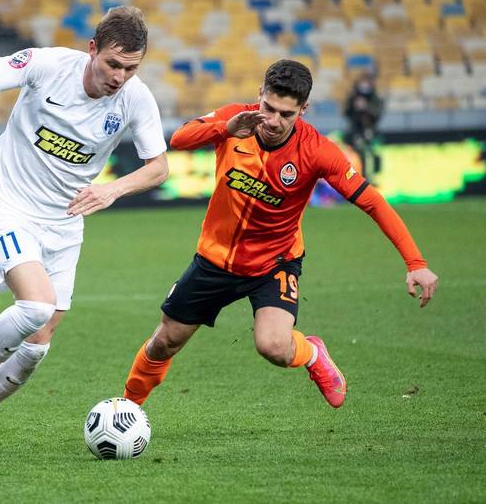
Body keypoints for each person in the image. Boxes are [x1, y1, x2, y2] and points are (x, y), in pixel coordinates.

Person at [0, 6, 168, 456]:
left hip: (65, 222)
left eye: (131, 68)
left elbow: (158, 167)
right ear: (92, 50)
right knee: (36, 305)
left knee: (39, 343)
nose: (120, 77)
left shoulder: (135, 99)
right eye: (113, 64)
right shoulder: (47, 65)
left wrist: (112, 190)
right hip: (9, 204)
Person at [122, 59, 438, 412]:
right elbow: (179, 139)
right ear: (260, 93)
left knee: (273, 346)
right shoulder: (237, 119)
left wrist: (416, 262)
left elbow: (372, 202)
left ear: (304, 109)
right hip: (215, 258)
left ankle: (312, 352)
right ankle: (126, 409)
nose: (273, 121)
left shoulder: (317, 151)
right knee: (164, 342)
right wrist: (225, 129)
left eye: (286, 114)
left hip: (274, 263)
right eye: (268, 108)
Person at [344, 72, 383, 181]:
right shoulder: (353, 97)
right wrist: (354, 106)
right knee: (356, 156)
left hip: (371, 131)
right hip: (355, 132)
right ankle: (358, 177)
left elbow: (377, 114)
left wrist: (366, 107)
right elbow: (347, 113)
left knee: (373, 154)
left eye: (366, 82)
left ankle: (374, 177)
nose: (364, 85)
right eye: (362, 82)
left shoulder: (375, 98)